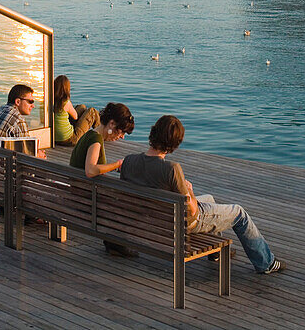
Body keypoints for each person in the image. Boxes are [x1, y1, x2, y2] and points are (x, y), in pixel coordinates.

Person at [120, 115, 284, 275]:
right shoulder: (171, 169)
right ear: (175, 143)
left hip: (150, 219)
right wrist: (188, 189)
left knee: (209, 199)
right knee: (239, 213)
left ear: (153, 133)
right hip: (178, 224)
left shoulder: (129, 161)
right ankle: (266, 263)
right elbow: (192, 211)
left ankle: (216, 252)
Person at [69, 102, 136, 257]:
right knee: (126, 200)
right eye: (121, 132)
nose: (121, 137)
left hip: (78, 191)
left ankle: (114, 241)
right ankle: (117, 243)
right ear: (111, 123)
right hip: (85, 198)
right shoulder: (95, 140)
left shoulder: (89, 135)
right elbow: (90, 170)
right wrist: (117, 164)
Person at [52, 74, 100, 146]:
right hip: (71, 139)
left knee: (82, 107)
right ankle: (100, 133)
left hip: (54, 138)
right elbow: (75, 117)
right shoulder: (65, 102)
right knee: (92, 111)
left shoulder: (50, 101)